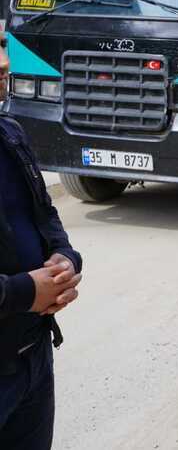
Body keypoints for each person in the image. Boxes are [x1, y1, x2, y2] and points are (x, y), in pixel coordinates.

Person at [0, 35, 84, 449]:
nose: (3, 63)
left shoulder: (10, 133)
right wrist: (25, 291)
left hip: (32, 356)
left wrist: (65, 259)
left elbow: (45, 214)